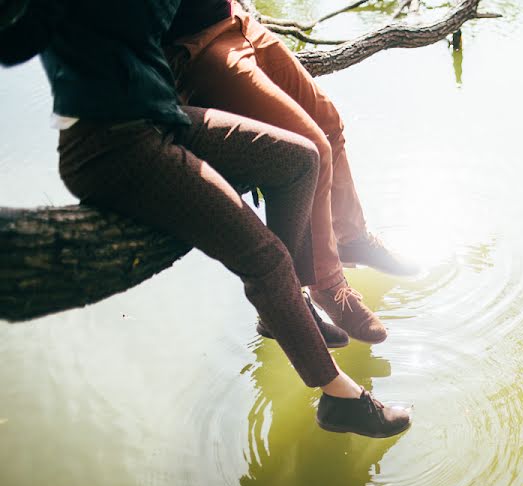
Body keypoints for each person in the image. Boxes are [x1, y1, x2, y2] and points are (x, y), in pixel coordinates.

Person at [0, 0, 409, 438]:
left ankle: (283, 309)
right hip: (110, 147)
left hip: (167, 118)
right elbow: (13, 45)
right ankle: (338, 397)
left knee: (300, 159)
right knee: (265, 259)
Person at [163, 0, 417, 346]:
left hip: (237, 20)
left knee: (329, 124)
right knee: (313, 148)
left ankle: (351, 237)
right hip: (197, 47)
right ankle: (323, 288)